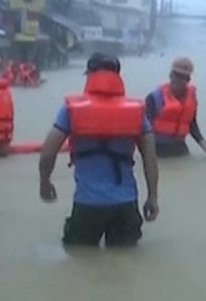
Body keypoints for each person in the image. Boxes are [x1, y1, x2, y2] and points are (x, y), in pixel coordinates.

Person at [38, 53, 159, 248]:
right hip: (125, 203)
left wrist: (45, 183)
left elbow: (48, 153)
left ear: (89, 75)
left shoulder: (71, 109)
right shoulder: (136, 111)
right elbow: (150, 159)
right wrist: (152, 197)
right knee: (124, 260)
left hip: (88, 204)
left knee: (79, 258)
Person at [145, 56, 206, 158]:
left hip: (180, 146)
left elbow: (191, 122)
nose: (178, 80)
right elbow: (144, 127)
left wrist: (201, 141)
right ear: (170, 75)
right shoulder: (154, 97)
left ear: (188, 80)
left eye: (182, 77)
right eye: (176, 75)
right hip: (157, 148)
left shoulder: (191, 98)